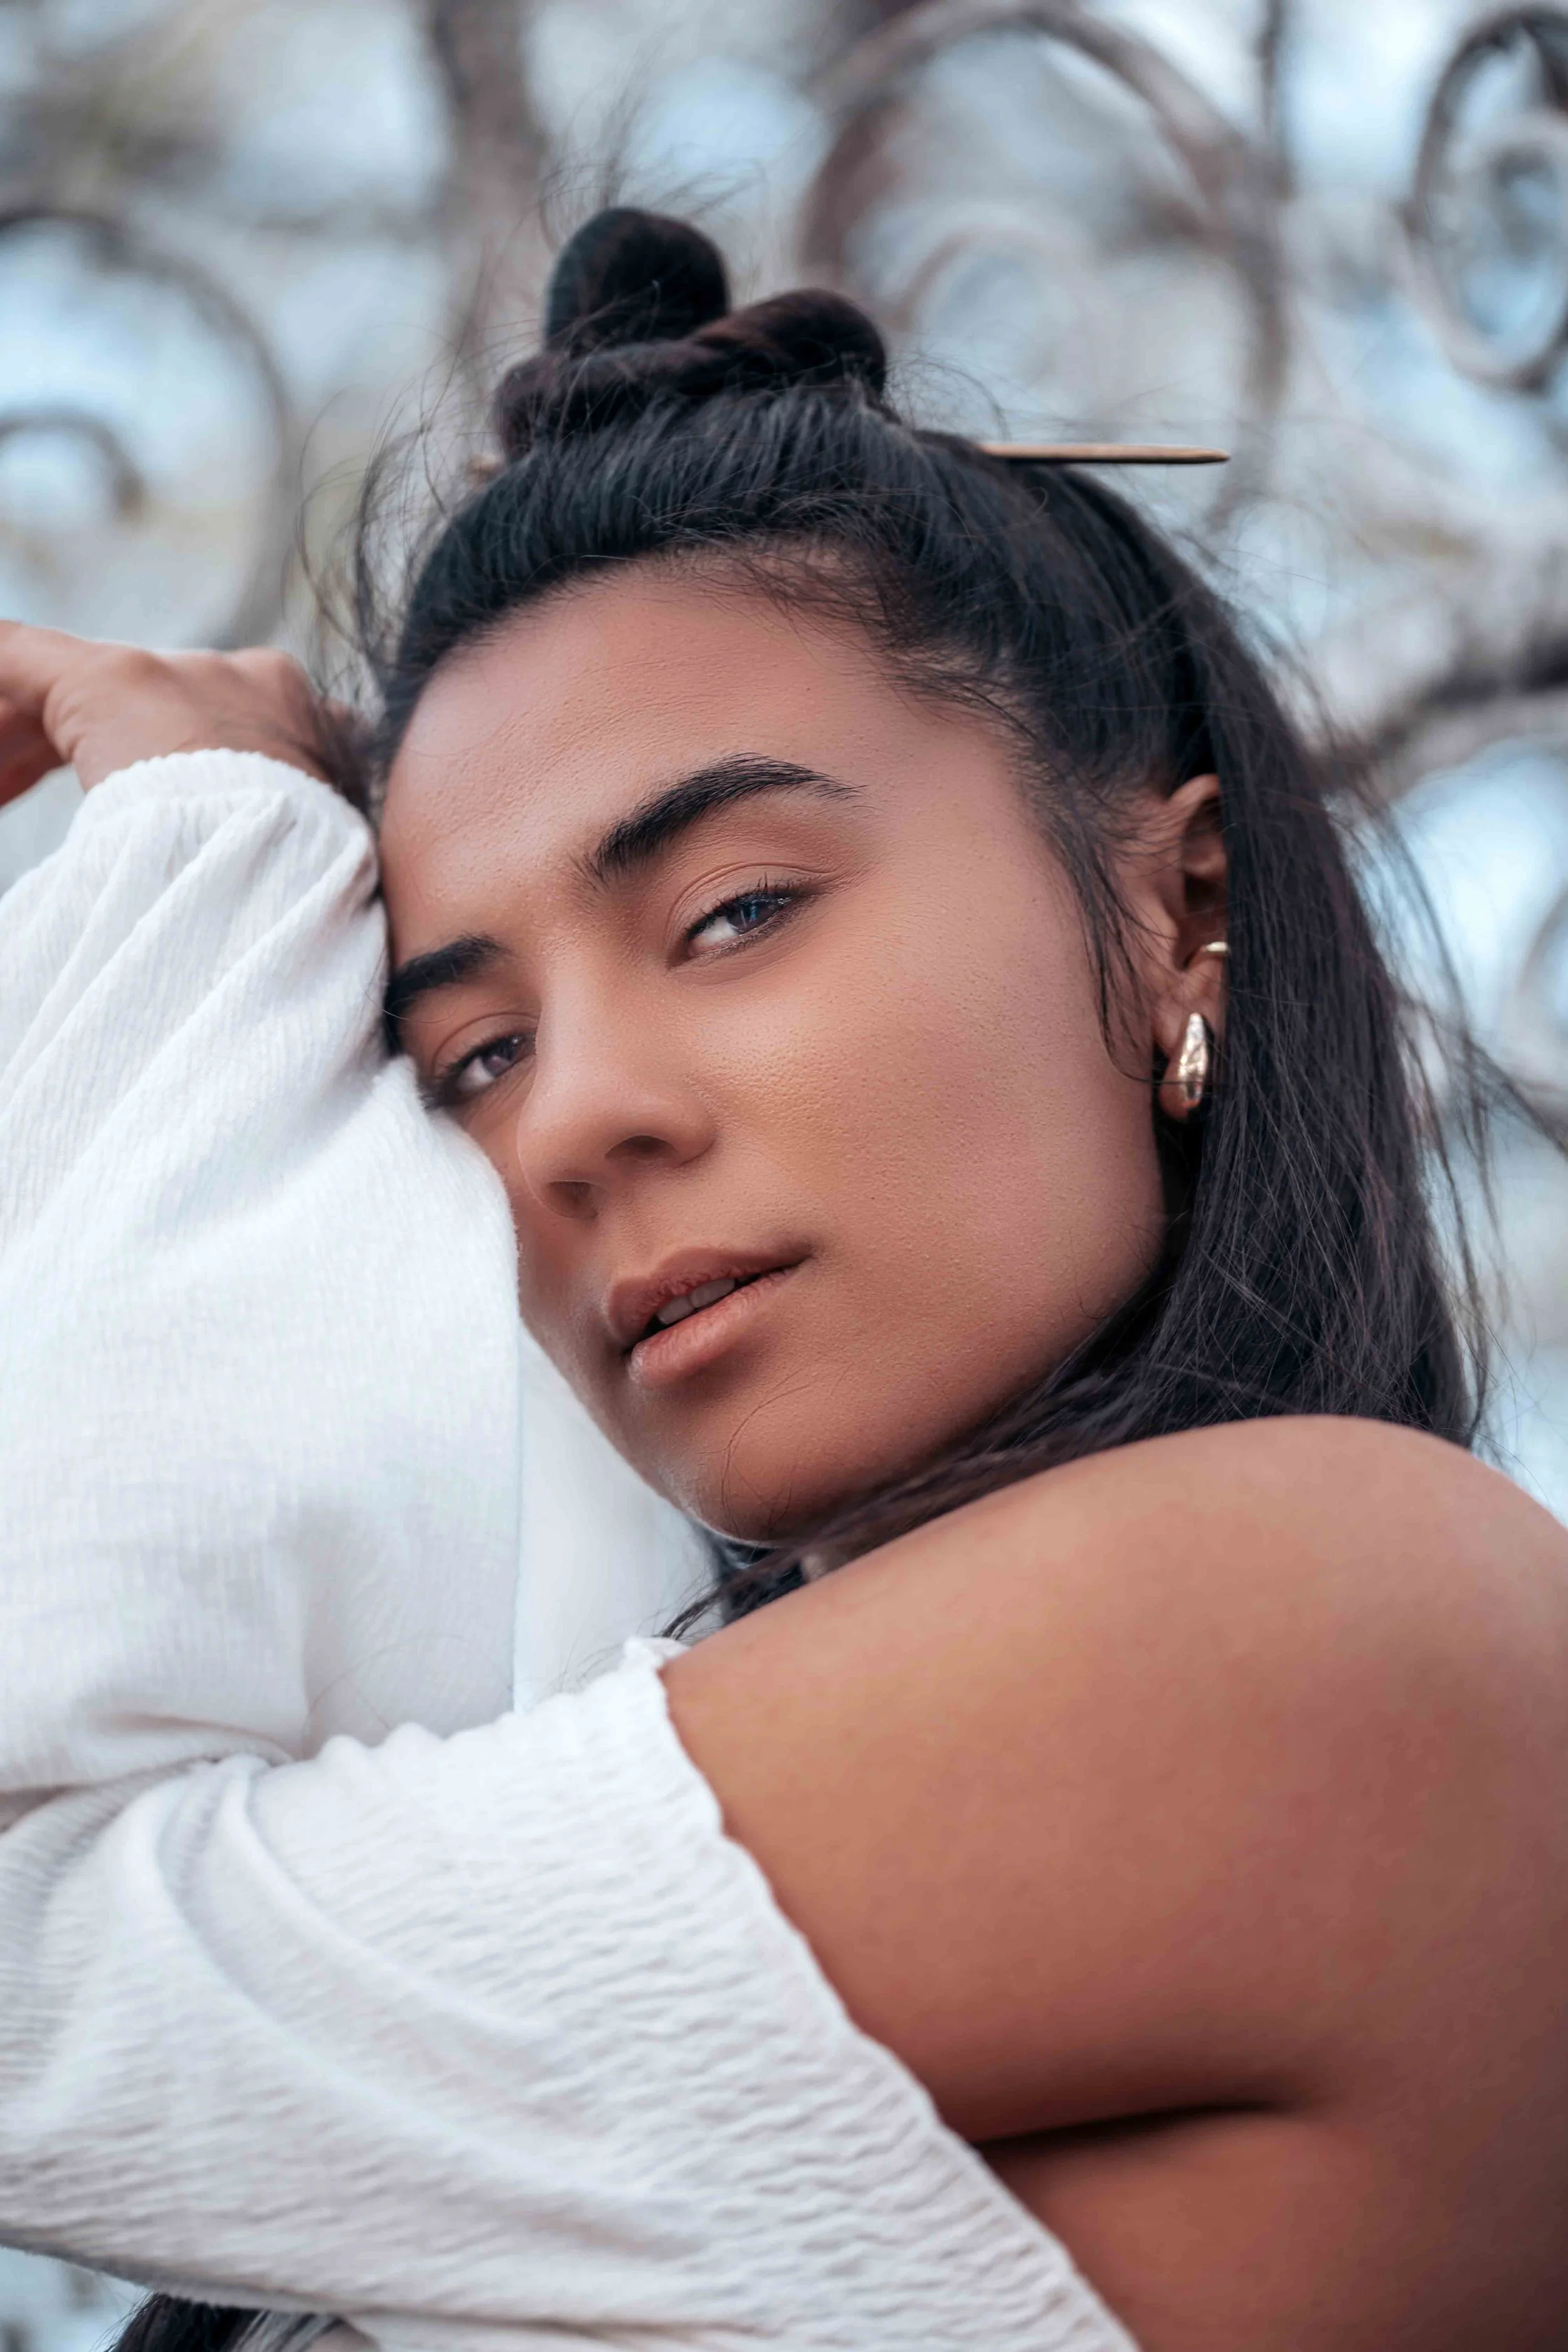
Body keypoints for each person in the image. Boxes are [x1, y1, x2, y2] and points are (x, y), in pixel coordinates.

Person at [2, 208, 1566, 2352]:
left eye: (735, 911)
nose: (569, 1126)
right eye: (468, 1054)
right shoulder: (572, 1807)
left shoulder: (1339, 1614)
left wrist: (211, 858)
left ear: (1178, 903)